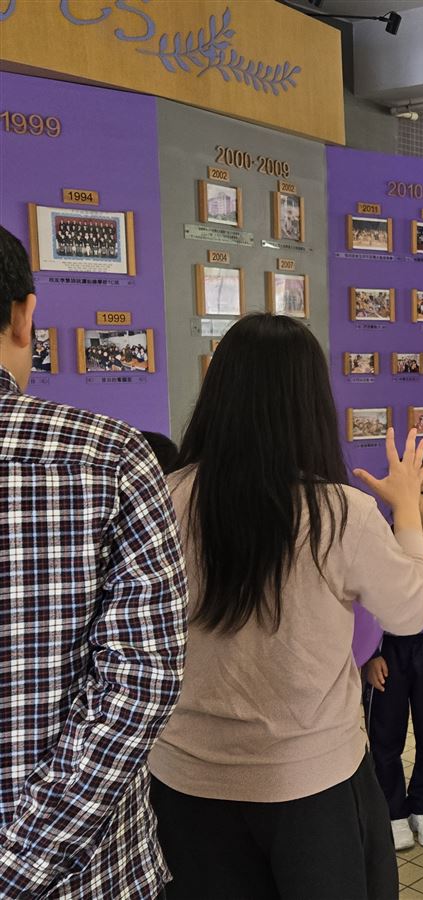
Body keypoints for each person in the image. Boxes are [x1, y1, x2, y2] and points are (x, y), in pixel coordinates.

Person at [147, 313, 423, 900]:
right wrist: (408, 511)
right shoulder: (340, 512)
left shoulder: (165, 497)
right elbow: (410, 613)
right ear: (311, 403)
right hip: (312, 784)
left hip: (185, 783)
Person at [0, 226, 189, 898]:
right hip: (89, 876)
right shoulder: (108, 456)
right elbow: (143, 678)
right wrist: (19, 867)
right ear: (24, 315)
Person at [363, 456, 423, 850]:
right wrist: (369, 655)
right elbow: (362, 604)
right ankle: (392, 812)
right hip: (386, 651)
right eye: (408, 491)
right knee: (384, 735)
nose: (416, 500)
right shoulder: (378, 543)